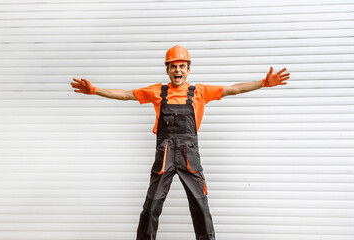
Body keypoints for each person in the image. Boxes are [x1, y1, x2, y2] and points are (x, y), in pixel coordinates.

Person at [71, 45, 289, 240]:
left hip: (189, 158)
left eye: (182, 66)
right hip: (165, 156)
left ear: (188, 69)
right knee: (151, 207)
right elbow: (127, 94)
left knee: (201, 208)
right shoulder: (157, 91)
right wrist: (94, 90)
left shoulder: (201, 92)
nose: (177, 70)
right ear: (167, 69)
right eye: (173, 66)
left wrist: (262, 83)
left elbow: (233, 89)